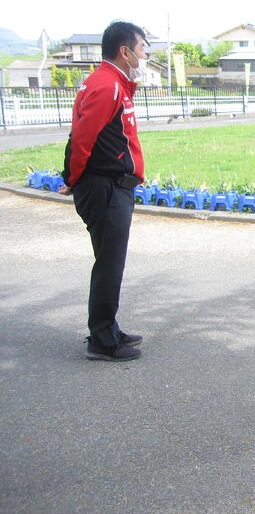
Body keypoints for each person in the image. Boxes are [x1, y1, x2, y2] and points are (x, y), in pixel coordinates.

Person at [59, 21, 148, 362]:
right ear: (125, 52)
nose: (144, 54)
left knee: (110, 261)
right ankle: (102, 340)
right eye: (141, 48)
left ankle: (106, 327)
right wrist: (74, 177)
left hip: (110, 185)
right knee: (109, 264)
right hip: (105, 187)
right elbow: (82, 137)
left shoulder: (110, 83)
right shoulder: (107, 85)